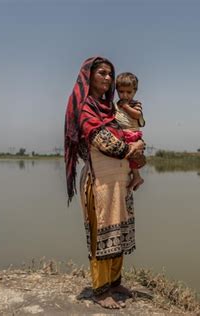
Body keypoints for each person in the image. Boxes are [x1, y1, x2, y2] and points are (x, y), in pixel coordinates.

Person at [64, 56, 146, 309]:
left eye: (111, 74)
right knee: (102, 234)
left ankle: (114, 282)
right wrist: (133, 148)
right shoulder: (86, 107)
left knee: (119, 230)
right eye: (102, 73)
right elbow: (104, 142)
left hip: (120, 180)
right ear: (89, 76)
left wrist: (139, 152)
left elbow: (134, 131)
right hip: (99, 181)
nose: (108, 78)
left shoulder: (114, 108)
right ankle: (100, 291)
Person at [115, 72, 145, 190]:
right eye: (121, 92)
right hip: (123, 133)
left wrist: (127, 107)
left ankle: (137, 176)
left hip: (132, 134)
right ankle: (134, 176)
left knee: (132, 154)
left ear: (135, 91)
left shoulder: (135, 104)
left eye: (129, 92)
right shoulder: (116, 105)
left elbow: (137, 115)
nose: (125, 95)